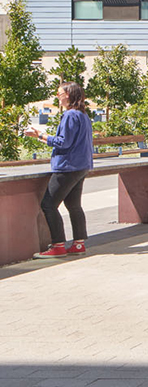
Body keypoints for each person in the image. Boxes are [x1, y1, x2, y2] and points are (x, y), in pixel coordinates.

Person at [23, 82, 95, 258]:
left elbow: (64, 142)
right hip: (81, 166)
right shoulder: (83, 115)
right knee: (73, 205)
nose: (57, 96)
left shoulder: (70, 115)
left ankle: (58, 245)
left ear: (68, 95)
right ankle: (78, 244)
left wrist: (40, 135)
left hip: (67, 167)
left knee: (48, 204)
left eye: (59, 93)